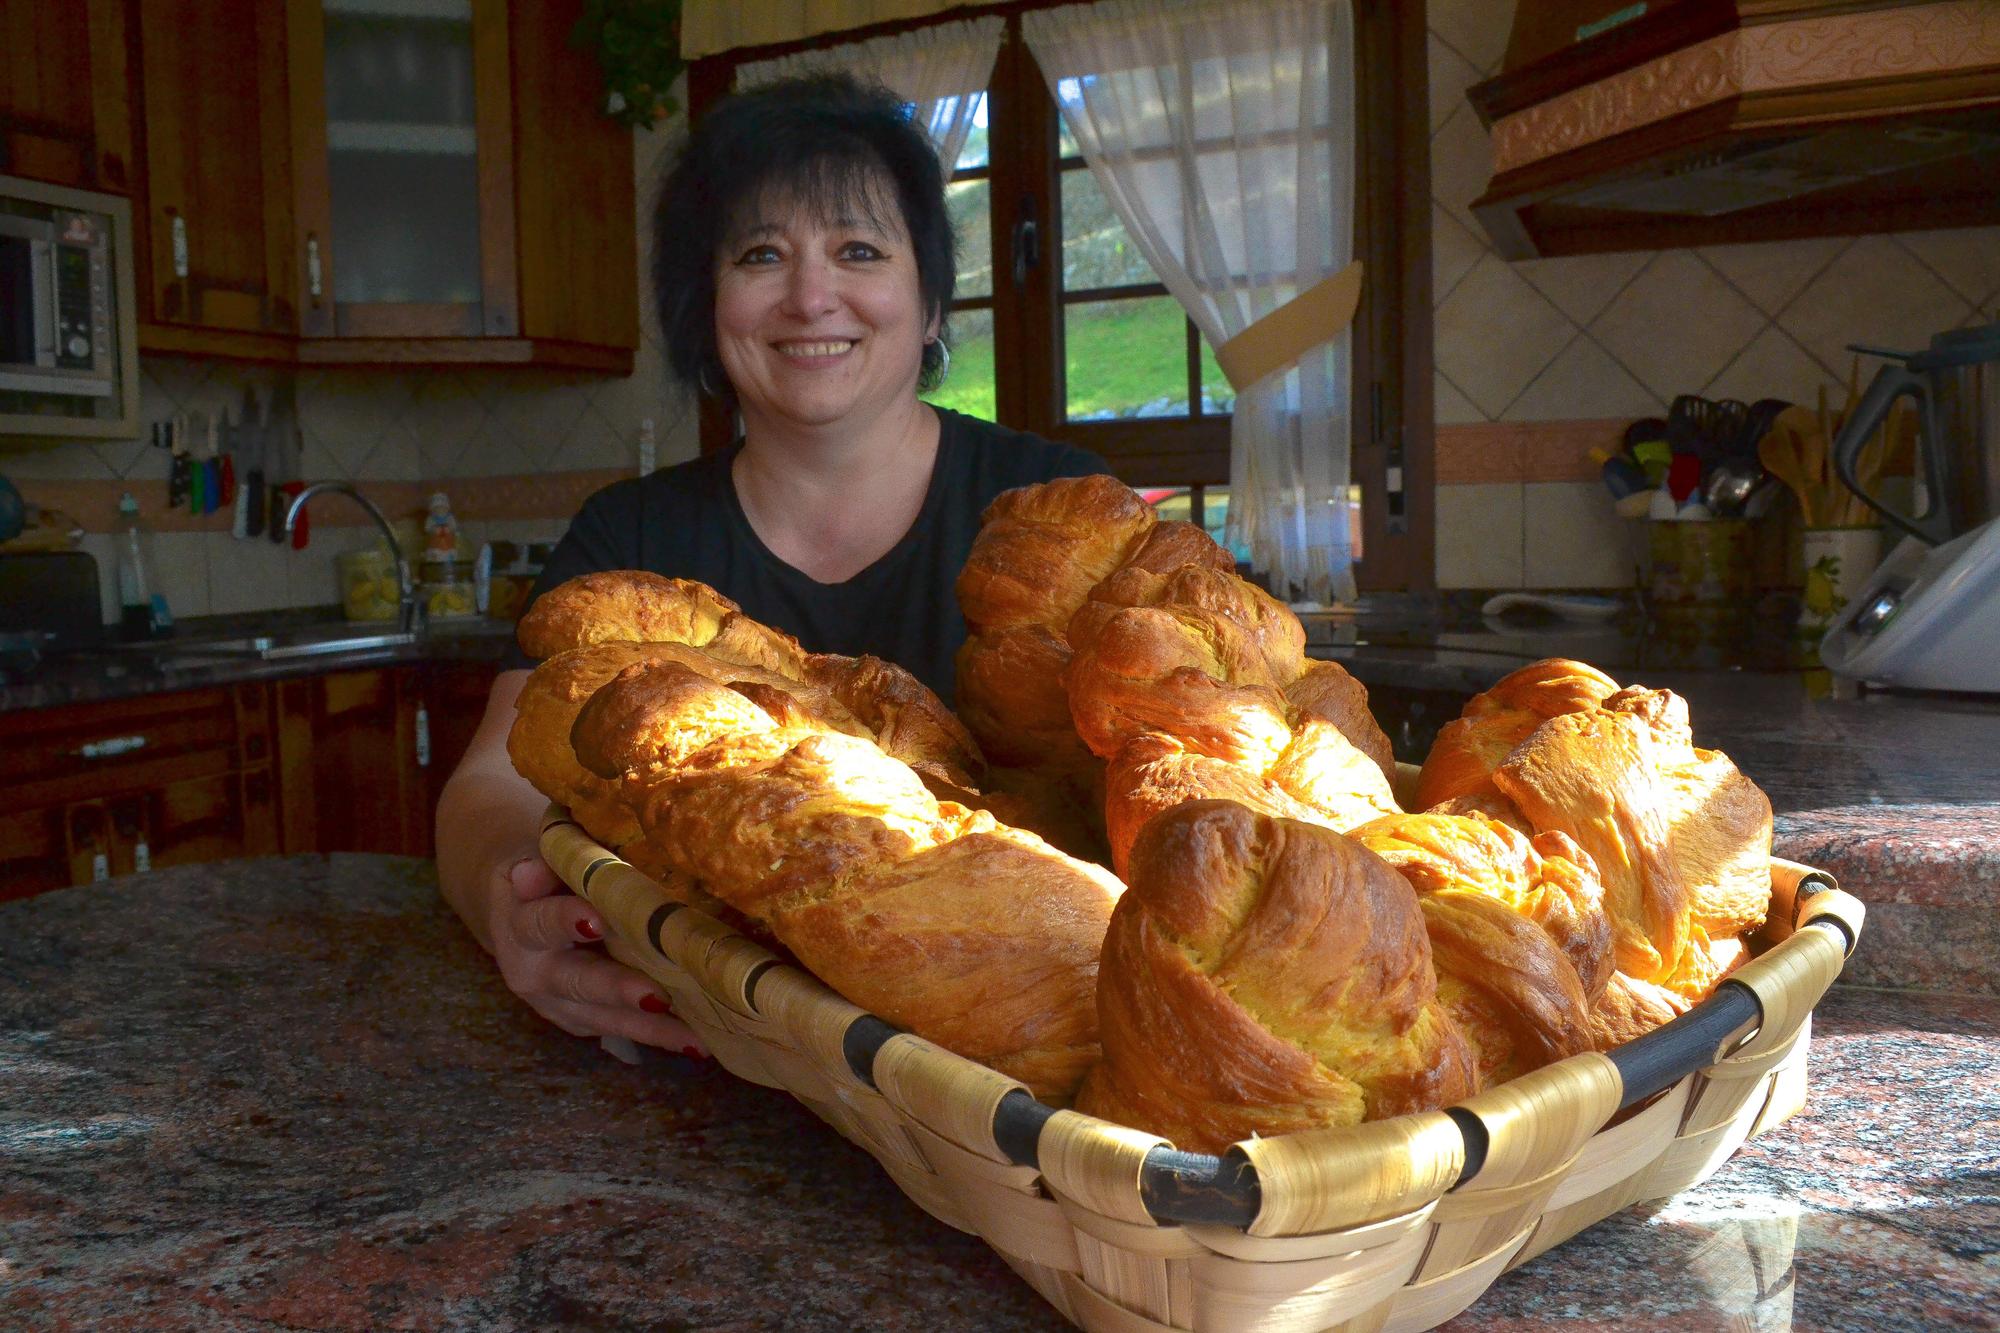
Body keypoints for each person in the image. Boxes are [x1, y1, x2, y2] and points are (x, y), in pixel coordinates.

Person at [434, 72, 1111, 1057]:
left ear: (927, 304)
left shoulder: (1054, 523)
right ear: (705, 306)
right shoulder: (628, 541)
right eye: (760, 254)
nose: (808, 296)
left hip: (1011, 1067)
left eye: (858, 249)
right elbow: (487, 786)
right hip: (701, 1052)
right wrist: (513, 906)